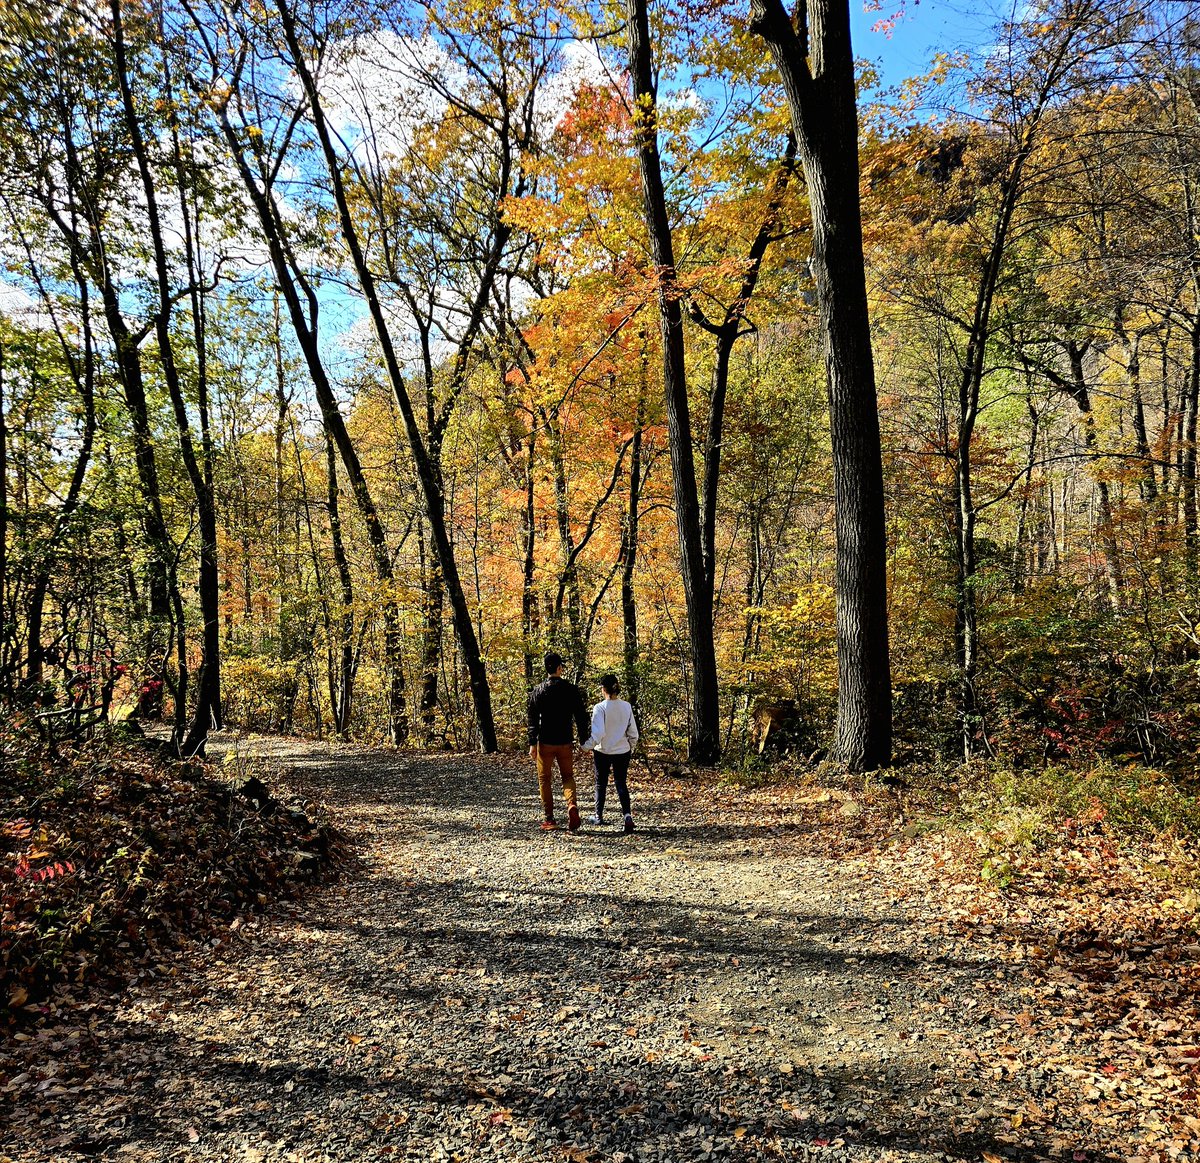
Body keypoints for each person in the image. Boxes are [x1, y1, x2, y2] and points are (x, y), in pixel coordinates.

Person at [527, 651, 589, 831]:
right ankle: (571, 805)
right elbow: (581, 716)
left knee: (544, 779)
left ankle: (550, 818)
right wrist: (583, 740)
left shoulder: (538, 691)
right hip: (565, 741)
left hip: (545, 742)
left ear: (546, 668)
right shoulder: (571, 689)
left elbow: (532, 718)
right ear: (559, 668)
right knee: (567, 776)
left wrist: (532, 743)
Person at [582, 673, 639, 834]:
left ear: (603, 688)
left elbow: (598, 733)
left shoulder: (600, 708)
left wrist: (586, 746)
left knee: (601, 783)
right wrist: (630, 747)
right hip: (623, 750)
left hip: (603, 751)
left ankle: (598, 815)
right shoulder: (626, 706)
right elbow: (633, 732)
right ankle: (627, 816)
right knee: (621, 783)